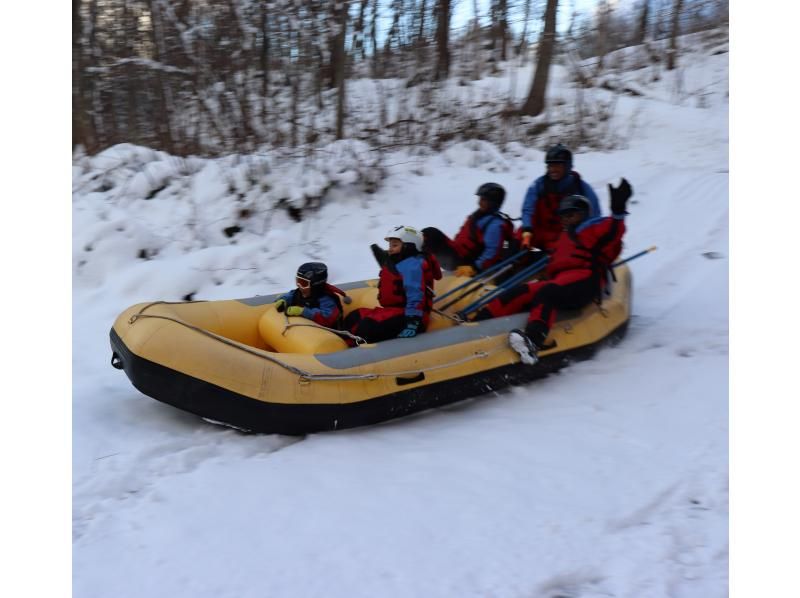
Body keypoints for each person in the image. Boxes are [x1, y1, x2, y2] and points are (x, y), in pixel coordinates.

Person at [473, 179, 633, 365]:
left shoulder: (593, 228)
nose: (566, 219)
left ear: (582, 214)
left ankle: (533, 342)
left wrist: (618, 211)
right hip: (561, 280)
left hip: (584, 280)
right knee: (521, 291)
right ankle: (478, 322)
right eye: (563, 216)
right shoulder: (563, 236)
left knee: (547, 293)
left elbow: (614, 230)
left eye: (571, 215)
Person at [343, 226, 442, 343]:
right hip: (396, 310)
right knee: (355, 316)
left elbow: (415, 295)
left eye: (394, 245)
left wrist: (413, 321)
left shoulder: (412, 266)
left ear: (409, 246)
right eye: (390, 246)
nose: (390, 249)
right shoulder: (400, 262)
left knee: (366, 327)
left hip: (410, 316)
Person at [518, 144, 601, 253]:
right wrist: (527, 230)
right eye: (550, 166)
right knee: (519, 236)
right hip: (540, 232)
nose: (553, 170)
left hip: (564, 235)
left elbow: (594, 217)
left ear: (568, 166)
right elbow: (528, 209)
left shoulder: (581, 188)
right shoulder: (538, 185)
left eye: (557, 166)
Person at [422, 182, 515, 277]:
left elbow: (491, 253)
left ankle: (419, 268)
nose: (479, 202)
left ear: (493, 203)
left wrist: (474, 267)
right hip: (456, 253)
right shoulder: (481, 216)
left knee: (431, 234)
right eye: (480, 199)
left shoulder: (495, 225)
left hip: (463, 261)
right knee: (425, 235)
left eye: (483, 199)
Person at [274, 262, 345, 329]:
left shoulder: (326, 300)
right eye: (298, 281)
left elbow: (327, 318)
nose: (299, 286)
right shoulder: (300, 292)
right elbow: (291, 295)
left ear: (315, 285)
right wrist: (283, 300)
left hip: (326, 334)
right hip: (306, 330)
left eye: (303, 283)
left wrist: (302, 311)